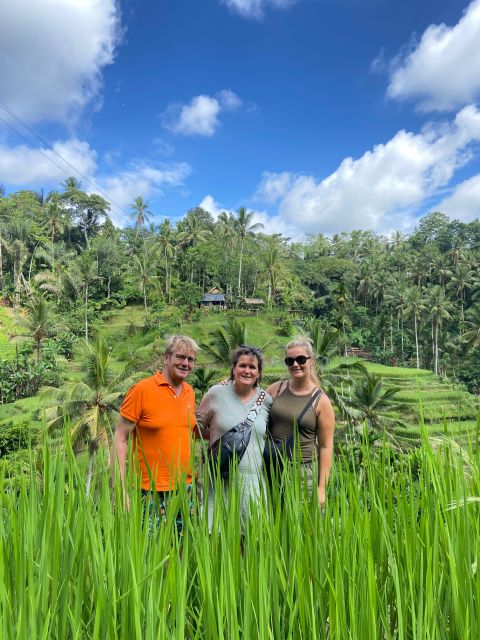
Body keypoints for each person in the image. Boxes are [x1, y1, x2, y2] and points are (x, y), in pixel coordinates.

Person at [114, 334, 199, 533]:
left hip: (184, 488)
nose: (185, 363)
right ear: (166, 358)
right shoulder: (141, 390)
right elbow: (120, 437)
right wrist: (121, 489)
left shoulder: (189, 392)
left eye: (190, 359)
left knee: (181, 548)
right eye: (180, 357)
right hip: (149, 490)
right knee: (149, 553)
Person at [196, 345, 272, 528]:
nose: (247, 371)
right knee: (216, 536)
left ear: (259, 373)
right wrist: (219, 439)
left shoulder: (266, 400)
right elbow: (196, 429)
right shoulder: (216, 393)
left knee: (250, 540)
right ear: (233, 368)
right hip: (219, 481)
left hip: (252, 482)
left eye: (252, 367)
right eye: (242, 365)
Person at [265, 338, 335, 508]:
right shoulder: (277, 388)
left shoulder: (321, 401)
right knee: (273, 525)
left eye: (301, 359)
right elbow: (251, 403)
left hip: (303, 472)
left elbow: (326, 446)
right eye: (290, 361)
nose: (295, 364)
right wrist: (229, 383)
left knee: (303, 529)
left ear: (311, 361)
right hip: (272, 469)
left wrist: (321, 488)